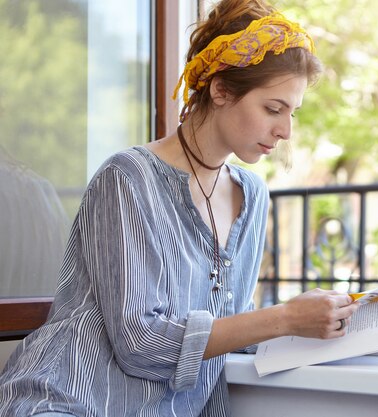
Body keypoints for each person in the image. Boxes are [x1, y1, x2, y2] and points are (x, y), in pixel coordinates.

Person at [0, 0, 359, 415]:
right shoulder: (127, 179)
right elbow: (140, 344)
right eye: (273, 109)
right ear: (221, 89)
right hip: (65, 403)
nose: (285, 131)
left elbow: (222, 337)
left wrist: (320, 318)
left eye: (292, 112)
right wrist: (283, 319)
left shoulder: (253, 196)